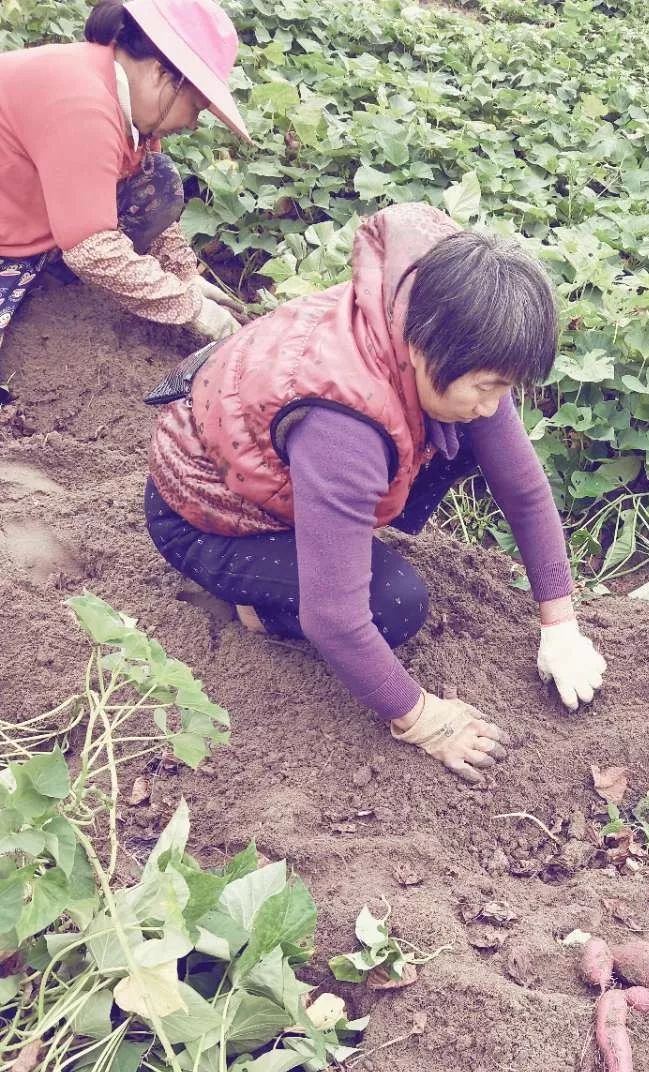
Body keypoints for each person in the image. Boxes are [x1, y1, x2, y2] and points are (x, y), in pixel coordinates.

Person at [144, 202, 607, 783]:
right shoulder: (345, 425)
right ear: (425, 347)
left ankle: (331, 531)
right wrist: (423, 719)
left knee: (469, 437)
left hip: (275, 470)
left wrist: (559, 624)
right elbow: (334, 619)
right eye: (487, 387)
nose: (493, 404)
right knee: (391, 604)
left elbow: (524, 488)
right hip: (208, 515)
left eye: (504, 387)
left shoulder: (437, 327)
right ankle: (249, 603)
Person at [0, 0, 249, 389]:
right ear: (160, 75)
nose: (192, 124)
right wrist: (190, 308)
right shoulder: (82, 102)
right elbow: (93, 250)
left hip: (26, 209)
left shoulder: (124, 103)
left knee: (158, 180)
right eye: (196, 107)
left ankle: (45, 283)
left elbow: (144, 187)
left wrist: (184, 275)